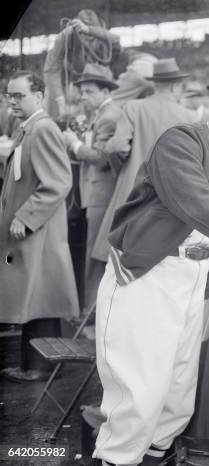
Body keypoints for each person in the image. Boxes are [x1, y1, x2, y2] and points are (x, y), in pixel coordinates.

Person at [93, 84, 209, 465]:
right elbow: (196, 201)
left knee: (176, 391)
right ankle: (116, 459)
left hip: (191, 275)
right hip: (151, 272)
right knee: (140, 390)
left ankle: (155, 456)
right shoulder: (181, 141)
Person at [0, 71, 79, 382]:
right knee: (34, 297)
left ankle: (40, 367)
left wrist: (25, 216)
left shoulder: (43, 129)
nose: (12, 101)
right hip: (31, 229)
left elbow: (58, 181)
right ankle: (33, 364)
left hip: (38, 229)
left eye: (19, 95)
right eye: (10, 95)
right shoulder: (28, 129)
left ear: (39, 96)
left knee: (40, 296)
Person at [94, 58, 198, 266]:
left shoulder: (134, 107)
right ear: (176, 85)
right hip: (170, 199)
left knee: (116, 261)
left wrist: (120, 167)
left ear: (155, 84)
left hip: (131, 192)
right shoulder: (190, 116)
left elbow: (118, 147)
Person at [61, 64, 123, 311]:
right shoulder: (100, 114)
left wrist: (74, 144)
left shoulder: (108, 116)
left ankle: (90, 314)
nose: (83, 97)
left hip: (101, 194)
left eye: (88, 92)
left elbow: (101, 157)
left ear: (103, 91)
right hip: (93, 193)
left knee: (94, 257)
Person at [43, 9, 121, 121]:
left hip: (94, 84)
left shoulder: (102, 36)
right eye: (84, 37)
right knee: (57, 113)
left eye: (91, 39)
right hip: (69, 85)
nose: (88, 42)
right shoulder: (65, 36)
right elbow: (51, 70)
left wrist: (89, 30)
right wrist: (60, 101)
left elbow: (116, 40)